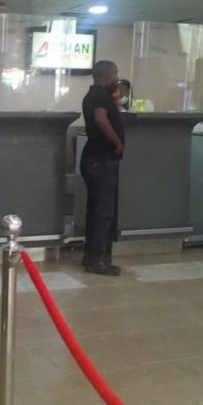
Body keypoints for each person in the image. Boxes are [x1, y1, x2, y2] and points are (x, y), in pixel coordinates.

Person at [80, 60, 125, 276]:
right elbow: (101, 120)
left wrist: (115, 99)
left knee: (96, 210)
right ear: (106, 75)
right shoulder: (99, 96)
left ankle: (90, 256)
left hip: (94, 158)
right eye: (115, 74)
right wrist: (117, 141)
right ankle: (97, 259)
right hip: (101, 159)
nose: (117, 77)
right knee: (103, 211)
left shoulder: (97, 95)